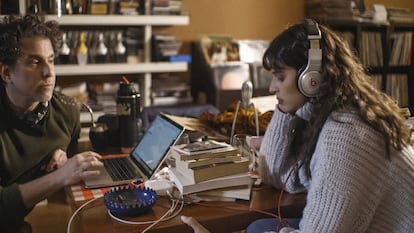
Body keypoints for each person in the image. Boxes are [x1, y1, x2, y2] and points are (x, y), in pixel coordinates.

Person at [182, 18, 414, 232]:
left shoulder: (346, 131)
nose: (272, 87)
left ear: (311, 79)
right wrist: (284, 109)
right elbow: (274, 175)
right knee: (259, 227)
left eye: (280, 77)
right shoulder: (327, 114)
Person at [0, 15, 103, 232]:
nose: (49, 72)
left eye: (51, 59)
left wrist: (65, 167)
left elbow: (69, 189)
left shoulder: (66, 112)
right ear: (6, 72)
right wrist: (58, 177)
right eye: (35, 62)